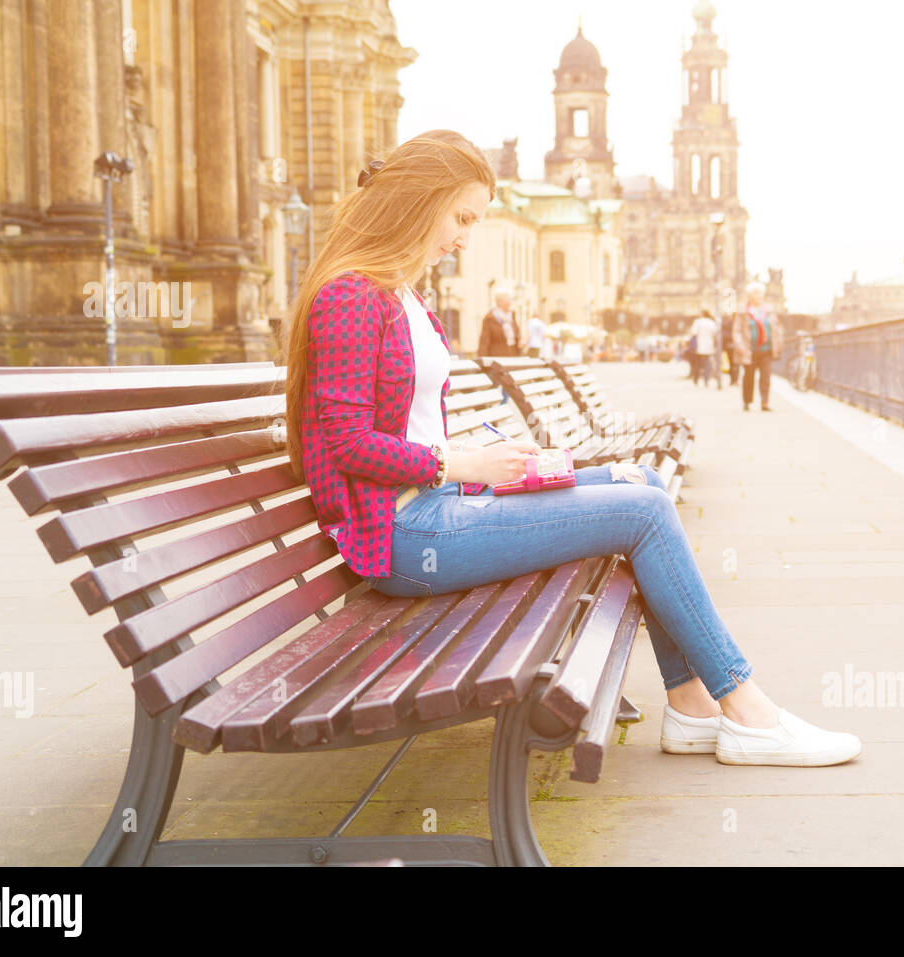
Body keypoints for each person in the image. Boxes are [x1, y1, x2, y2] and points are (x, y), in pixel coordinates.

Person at [283, 129, 861, 767]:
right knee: (642, 511)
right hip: (403, 539)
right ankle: (748, 710)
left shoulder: (402, 295)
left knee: (639, 477)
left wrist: (481, 455)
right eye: (462, 218)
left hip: (437, 506)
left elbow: (405, 428)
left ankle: (693, 704)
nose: (464, 239)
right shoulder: (350, 295)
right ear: (420, 200)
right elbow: (346, 444)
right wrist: (461, 464)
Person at [733, 281, 784, 411]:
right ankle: (747, 401)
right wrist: (739, 345)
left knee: (765, 377)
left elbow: (777, 328)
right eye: (755, 293)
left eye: (760, 293)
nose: (758, 296)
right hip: (749, 350)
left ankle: (765, 403)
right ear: (749, 295)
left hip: (766, 349)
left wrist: (778, 345)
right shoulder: (743, 311)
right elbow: (737, 330)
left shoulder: (768, 310)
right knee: (748, 377)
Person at [478, 287, 522, 358]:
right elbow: (484, 342)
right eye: (507, 301)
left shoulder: (512, 317)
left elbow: (517, 334)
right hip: (497, 357)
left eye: (510, 300)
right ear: (499, 302)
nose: (509, 303)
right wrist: (482, 359)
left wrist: (519, 341)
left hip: (513, 355)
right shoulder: (490, 318)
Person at [688, 309, 719, 387]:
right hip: (709, 344)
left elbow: (693, 332)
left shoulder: (698, 322)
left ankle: (696, 379)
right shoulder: (711, 322)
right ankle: (706, 380)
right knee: (707, 364)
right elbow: (715, 333)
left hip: (699, 344)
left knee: (697, 363)